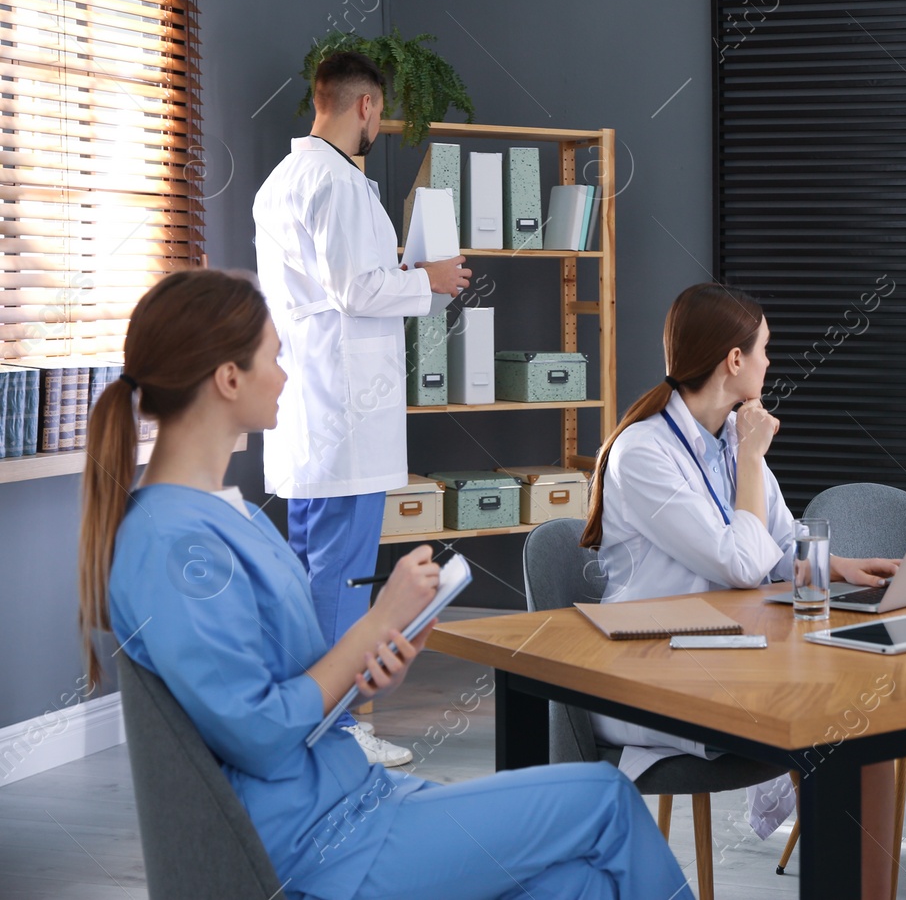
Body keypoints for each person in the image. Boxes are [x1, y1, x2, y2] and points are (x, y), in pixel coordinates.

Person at [77, 268, 687, 900]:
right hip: (321, 841)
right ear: (228, 380)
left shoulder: (225, 515)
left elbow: (286, 688)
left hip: (352, 799)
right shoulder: (176, 545)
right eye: (274, 357)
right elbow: (256, 733)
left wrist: (371, 663)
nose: (285, 375)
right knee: (608, 800)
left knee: (579, 886)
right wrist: (372, 623)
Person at [581, 282, 902, 898]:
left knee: (864, 724)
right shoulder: (644, 452)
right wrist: (753, 459)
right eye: (765, 351)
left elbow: (779, 543)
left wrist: (841, 566)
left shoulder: (730, 438)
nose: (769, 364)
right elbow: (742, 566)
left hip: (720, 649)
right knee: (830, 721)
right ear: (734, 360)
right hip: (648, 666)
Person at [253, 52, 470, 766]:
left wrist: (401, 274)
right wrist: (428, 278)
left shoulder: (280, 182)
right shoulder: (341, 185)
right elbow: (357, 290)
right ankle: (338, 732)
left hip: (309, 414)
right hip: (346, 416)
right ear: (366, 108)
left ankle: (302, 723)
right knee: (343, 582)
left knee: (309, 576)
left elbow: (334, 286)